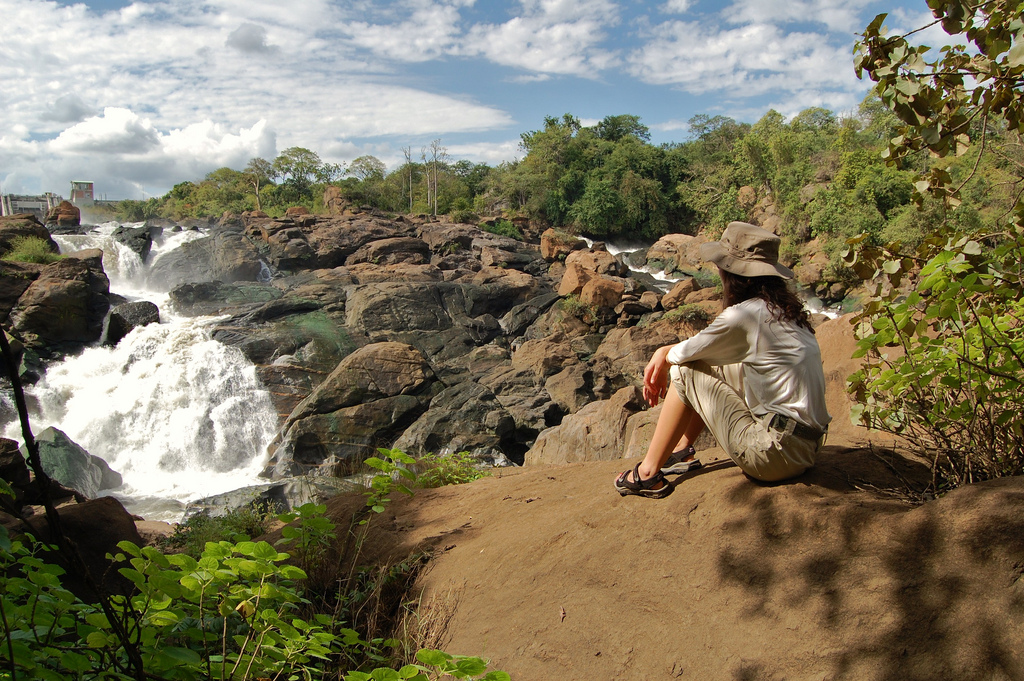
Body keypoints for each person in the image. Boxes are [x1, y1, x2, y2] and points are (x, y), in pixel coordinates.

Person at [615, 221, 831, 498]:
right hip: (807, 447)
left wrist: (661, 353)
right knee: (712, 363)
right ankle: (681, 450)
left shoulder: (745, 315)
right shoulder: (783, 312)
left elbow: (683, 356)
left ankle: (646, 474)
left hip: (775, 456)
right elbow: (704, 352)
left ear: (731, 273)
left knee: (684, 371)